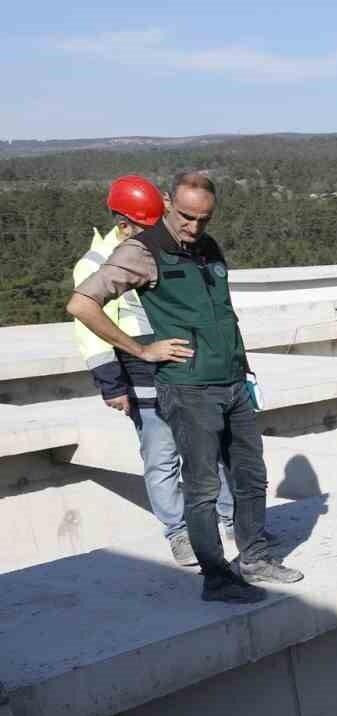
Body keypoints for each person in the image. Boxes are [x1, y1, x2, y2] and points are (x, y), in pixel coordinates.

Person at [67, 170, 301, 603]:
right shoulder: (141, 250)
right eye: (187, 216)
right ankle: (216, 577)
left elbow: (225, 314)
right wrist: (141, 350)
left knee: (250, 477)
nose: (194, 227)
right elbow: (81, 303)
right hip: (189, 388)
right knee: (202, 487)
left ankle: (253, 557)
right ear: (169, 202)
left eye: (204, 219)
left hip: (232, 382)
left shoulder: (208, 247)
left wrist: (245, 372)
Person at [72, 174, 238, 567]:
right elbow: (89, 327)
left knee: (211, 447)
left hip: (184, 365)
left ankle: (230, 520)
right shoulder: (97, 264)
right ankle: (177, 533)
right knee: (162, 455)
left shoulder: (173, 245)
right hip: (140, 368)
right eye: (143, 227)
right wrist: (112, 383)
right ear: (123, 223)